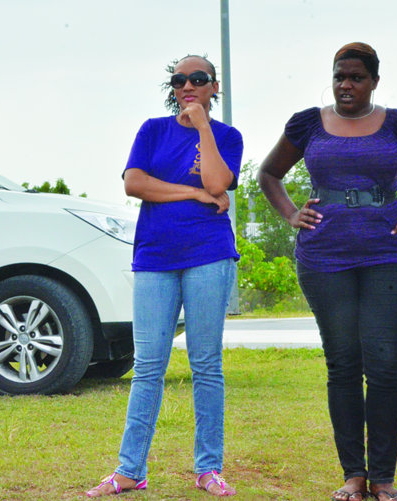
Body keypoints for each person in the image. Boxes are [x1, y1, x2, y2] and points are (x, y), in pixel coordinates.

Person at [257, 43, 397, 501]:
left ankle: (383, 478)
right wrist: (290, 214)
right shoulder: (307, 124)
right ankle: (354, 476)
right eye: (340, 76)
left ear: (374, 82)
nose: (346, 85)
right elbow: (269, 174)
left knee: (384, 367)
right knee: (343, 365)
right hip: (324, 259)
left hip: (386, 256)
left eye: (357, 78)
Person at [85, 55, 243, 497]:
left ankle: (208, 468)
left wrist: (204, 129)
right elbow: (135, 183)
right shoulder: (152, 130)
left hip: (209, 255)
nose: (188, 85)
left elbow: (218, 184)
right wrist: (190, 191)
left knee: (206, 365)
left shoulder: (228, 136)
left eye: (198, 79)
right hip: (155, 257)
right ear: (171, 87)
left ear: (214, 86)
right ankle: (130, 469)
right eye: (179, 79)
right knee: (148, 366)